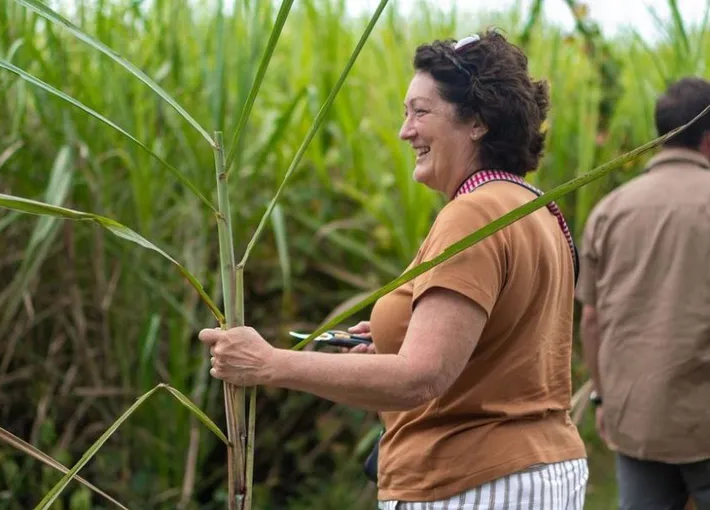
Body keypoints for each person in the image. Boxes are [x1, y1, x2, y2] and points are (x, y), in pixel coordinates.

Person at [199, 30, 588, 509]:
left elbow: (420, 378)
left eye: (421, 112)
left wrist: (268, 364)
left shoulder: (472, 215)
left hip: (473, 482)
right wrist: (394, 333)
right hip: (538, 472)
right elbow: (495, 353)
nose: (406, 130)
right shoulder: (534, 209)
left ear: (478, 122)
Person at [576, 77, 710, 510]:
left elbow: (592, 320)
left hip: (635, 421)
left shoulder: (610, 211)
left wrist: (601, 395)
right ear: (708, 138)